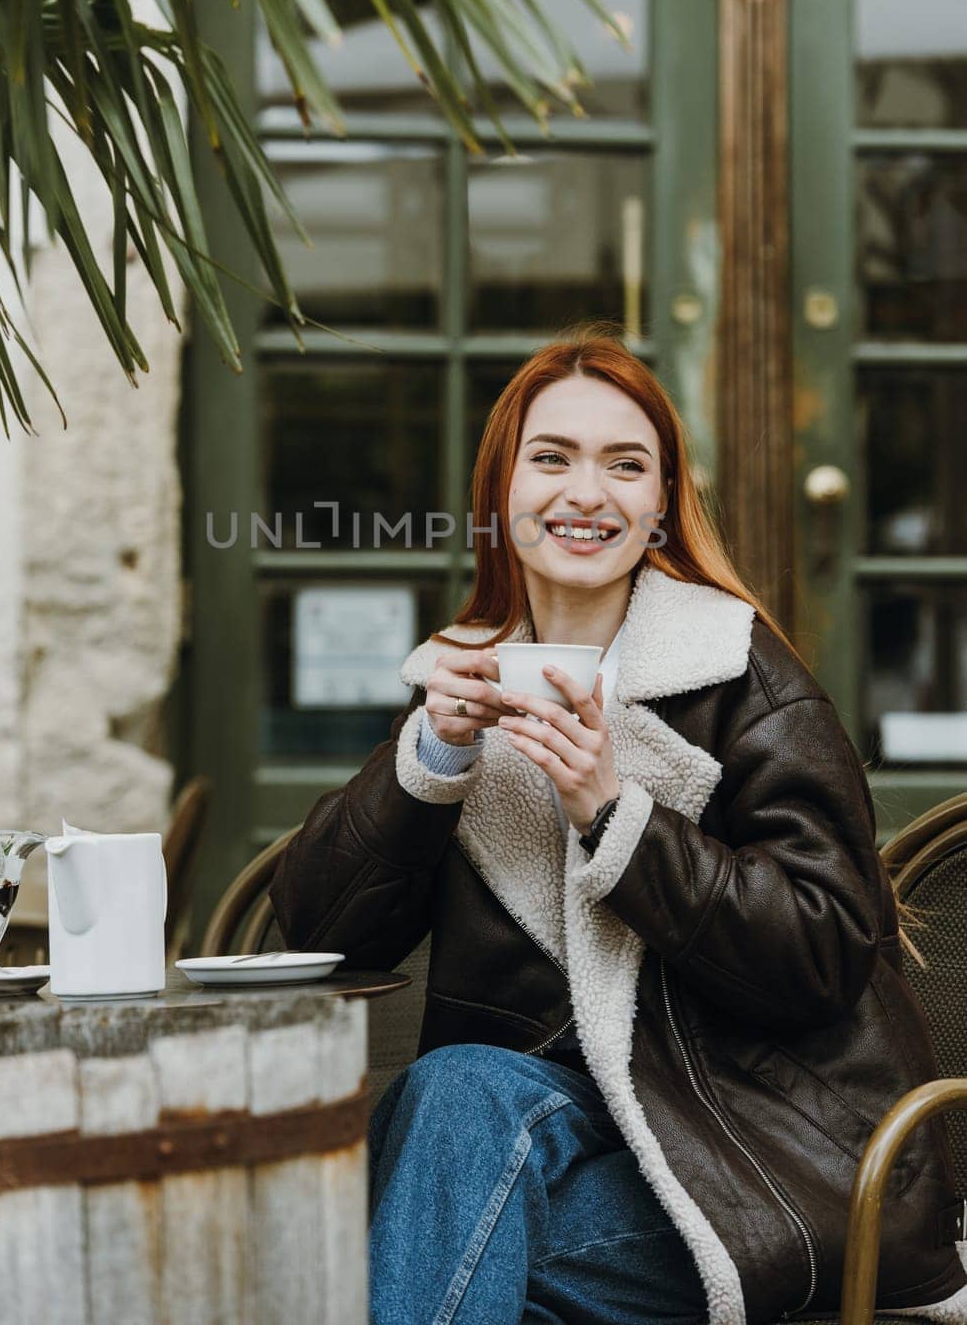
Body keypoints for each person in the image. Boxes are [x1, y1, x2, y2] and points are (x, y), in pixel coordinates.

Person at [271, 322, 967, 1325]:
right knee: (461, 1096)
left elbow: (824, 952)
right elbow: (320, 932)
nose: (585, 493)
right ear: (500, 496)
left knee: (439, 1219)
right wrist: (432, 758)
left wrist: (618, 818)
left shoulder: (747, 683)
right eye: (551, 458)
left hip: (763, 1157)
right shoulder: (463, 683)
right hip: (549, 1143)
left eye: (625, 466)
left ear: (659, 507)